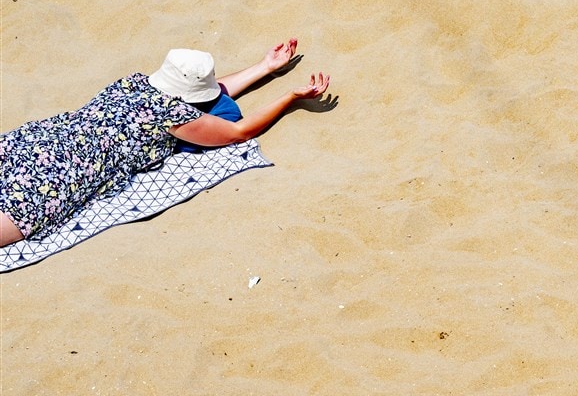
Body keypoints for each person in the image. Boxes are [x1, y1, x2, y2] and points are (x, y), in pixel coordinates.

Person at [0, 38, 330, 247]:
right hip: (66, 172)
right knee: (18, 214)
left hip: (38, 137)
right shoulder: (172, 116)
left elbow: (207, 91)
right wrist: (290, 96)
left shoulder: (133, 82)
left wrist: (264, 68)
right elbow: (238, 132)